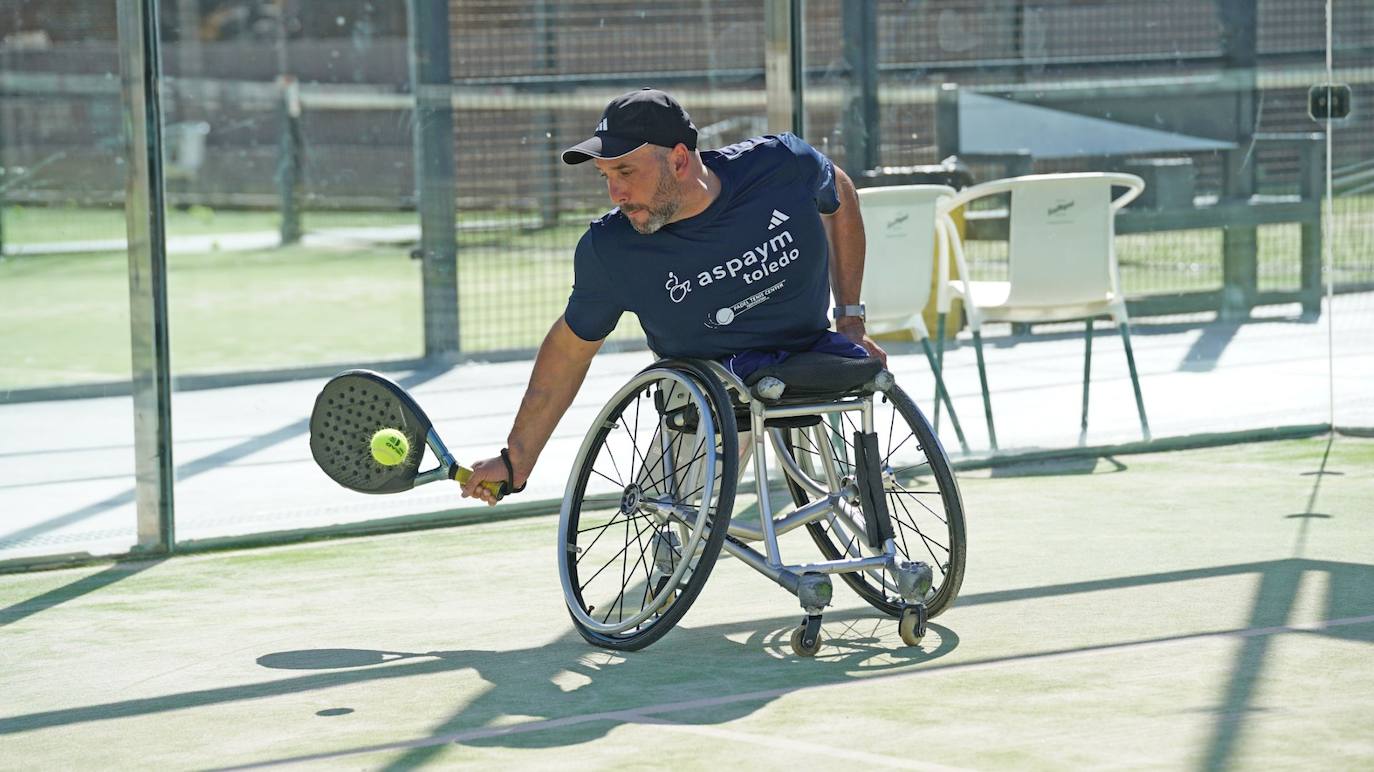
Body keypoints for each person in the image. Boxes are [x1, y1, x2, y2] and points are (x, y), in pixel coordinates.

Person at [460, 87, 885, 505]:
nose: (616, 194)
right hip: (709, 392)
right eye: (606, 176)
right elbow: (569, 352)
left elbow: (840, 191)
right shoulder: (612, 249)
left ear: (679, 160)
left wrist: (850, 320)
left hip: (810, 353)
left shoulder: (781, 165)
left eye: (626, 172)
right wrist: (516, 459)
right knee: (672, 527)